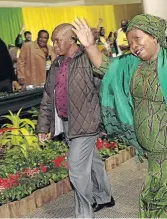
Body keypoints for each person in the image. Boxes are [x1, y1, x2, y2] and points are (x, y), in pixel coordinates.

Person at [72, 14, 167, 218]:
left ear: (154, 36)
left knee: (159, 198)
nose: (133, 45)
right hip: (153, 151)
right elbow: (107, 67)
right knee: (166, 195)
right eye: (130, 40)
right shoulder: (132, 63)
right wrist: (90, 46)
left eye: (138, 38)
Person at [37, 23, 113, 218]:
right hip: (68, 122)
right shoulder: (56, 64)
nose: (53, 45)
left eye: (57, 40)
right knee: (92, 160)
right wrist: (42, 127)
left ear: (71, 40)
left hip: (87, 123)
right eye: (53, 41)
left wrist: (103, 119)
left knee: (77, 169)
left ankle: (84, 214)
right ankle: (104, 196)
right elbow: (48, 96)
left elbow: (108, 80)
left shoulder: (88, 59)